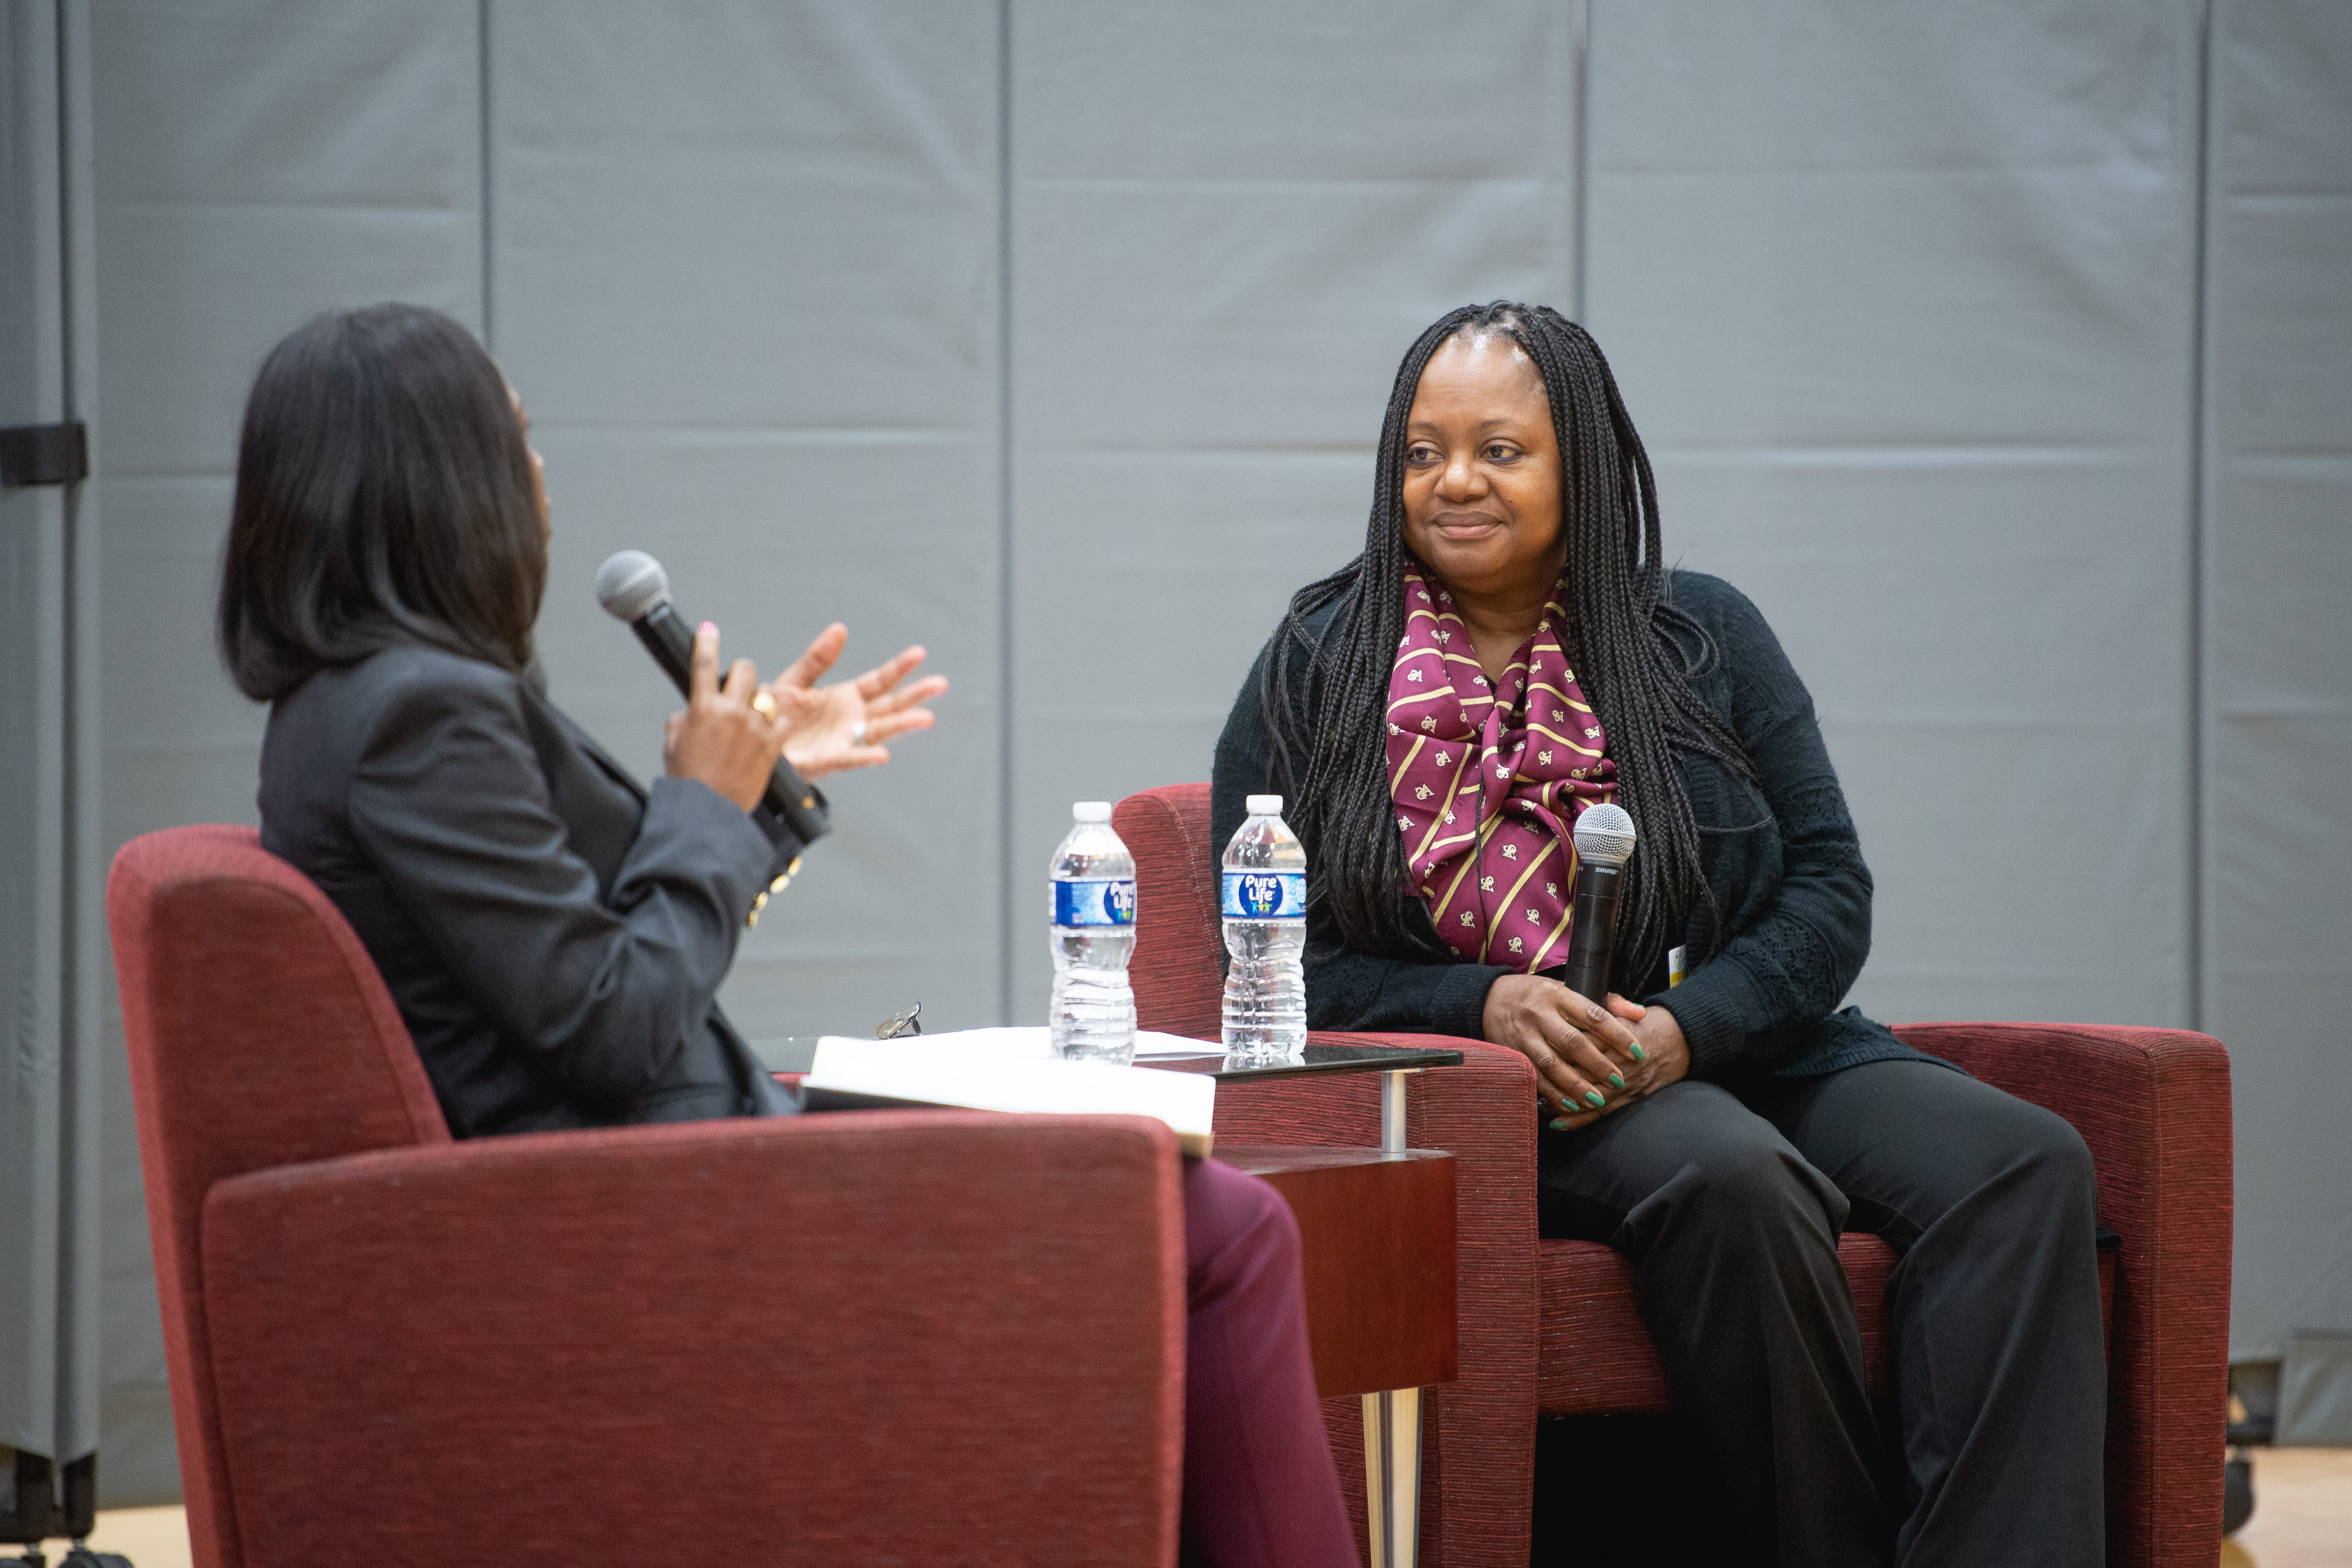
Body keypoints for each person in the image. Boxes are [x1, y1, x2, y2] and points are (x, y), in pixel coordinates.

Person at [222, 302, 1355, 1568]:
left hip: (654, 1171)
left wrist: (754, 785)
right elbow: (611, 1023)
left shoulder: (344, 712)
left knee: (1152, 1177)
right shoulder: (419, 715)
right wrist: (704, 799)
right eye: (520, 444)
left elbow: (588, 966)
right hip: (670, 1214)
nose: (537, 481)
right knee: (1226, 1226)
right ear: (442, 483)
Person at [1212, 302, 2106, 1567]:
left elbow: (1826, 887)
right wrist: (1484, 1005)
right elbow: (1268, 960)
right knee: (1728, 1173)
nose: (1453, 482)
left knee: (2025, 1161)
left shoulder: (1701, 636)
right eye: (1421, 452)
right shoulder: (1318, 664)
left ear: (1579, 461)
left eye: (1499, 450)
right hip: (1505, 1093)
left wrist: (1694, 1027)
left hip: (1738, 1041)